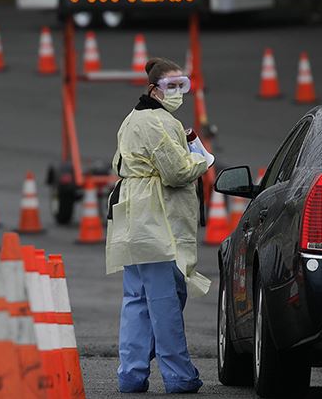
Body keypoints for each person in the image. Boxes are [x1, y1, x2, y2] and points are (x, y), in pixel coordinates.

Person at [106, 57, 214, 393]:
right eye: (171, 86)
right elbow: (177, 171)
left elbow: (118, 162)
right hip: (157, 222)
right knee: (166, 300)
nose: (179, 92)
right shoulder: (160, 123)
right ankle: (178, 375)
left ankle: (132, 373)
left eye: (183, 85)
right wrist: (202, 158)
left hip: (133, 221)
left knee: (137, 298)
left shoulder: (132, 119)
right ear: (154, 89)